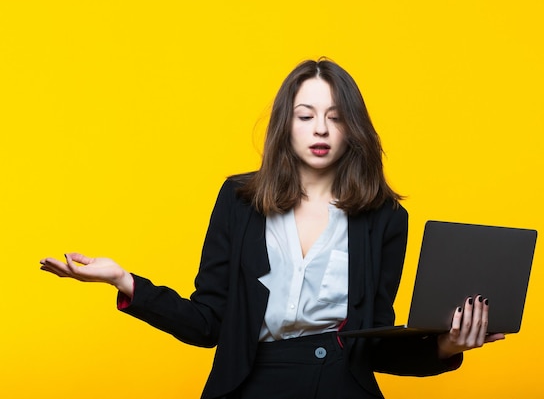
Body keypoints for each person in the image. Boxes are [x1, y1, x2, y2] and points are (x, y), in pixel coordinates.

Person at [40, 58, 504, 399]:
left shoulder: (384, 218)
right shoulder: (239, 201)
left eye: (335, 117)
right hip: (250, 384)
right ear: (287, 126)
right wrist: (125, 282)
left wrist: (444, 345)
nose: (320, 129)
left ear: (353, 129)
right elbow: (208, 324)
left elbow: (372, 344)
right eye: (306, 116)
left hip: (340, 385)